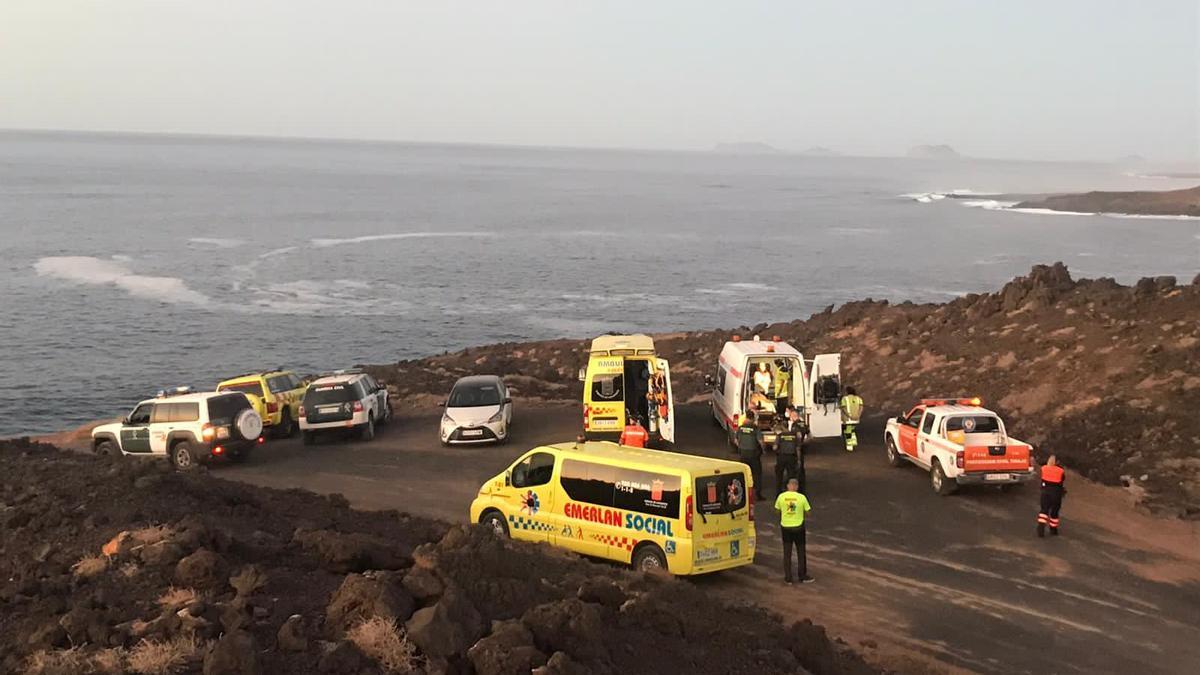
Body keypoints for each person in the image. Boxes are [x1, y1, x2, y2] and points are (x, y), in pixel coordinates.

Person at [774, 477, 813, 584]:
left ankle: (788, 577)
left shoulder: (781, 497)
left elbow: (777, 511)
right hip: (798, 527)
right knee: (801, 552)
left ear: (788, 486)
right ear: (797, 487)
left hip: (785, 527)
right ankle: (802, 575)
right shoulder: (802, 498)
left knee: (787, 552)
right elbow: (809, 512)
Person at [736, 413, 765, 501]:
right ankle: (757, 494)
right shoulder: (755, 428)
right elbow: (760, 441)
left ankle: (743, 494)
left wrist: (741, 446)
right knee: (757, 474)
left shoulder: (740, 428)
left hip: (743, 454)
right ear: (752, 418)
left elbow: (735, 440)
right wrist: (764, 449)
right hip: (753, 454)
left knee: (744, 474)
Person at [1037, 455, 1066, 537]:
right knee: (1054, 512)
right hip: (1056, 493)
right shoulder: (1060, 470)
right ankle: (1053, 530)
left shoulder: (1044, 468)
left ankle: (1041, 528)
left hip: (1045, 492)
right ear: (1057, 462)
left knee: (1044, 510)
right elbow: (1062, 479)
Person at [839, 386, 864, 452]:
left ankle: (850, 445)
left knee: (848, 431)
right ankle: (853, 442)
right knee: (852, 430)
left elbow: (843, 408)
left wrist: (849, 416)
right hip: (856, 419)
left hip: (848, 419)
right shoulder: (859, 398)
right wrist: (858, 415)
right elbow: (861, 408)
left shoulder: (845, 399)